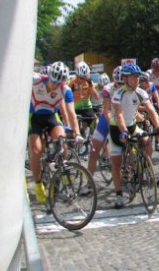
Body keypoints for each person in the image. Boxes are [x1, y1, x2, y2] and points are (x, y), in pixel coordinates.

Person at [28, 62, 83, 202]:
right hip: (34, 116)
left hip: (51, 117)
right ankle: (38, 183)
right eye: (53, 81)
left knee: (62, 142)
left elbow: (71, 113)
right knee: (35, 150)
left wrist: (77, 133)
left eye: (59, 83)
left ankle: (61, 172)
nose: (55, 85)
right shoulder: (35, 80)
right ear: (49, 76)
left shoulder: (65, 90)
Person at [109, 63, 159, 209]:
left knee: (147, 141)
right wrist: (124, 131)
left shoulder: (141, 93)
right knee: (116, 162)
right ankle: (119, 194)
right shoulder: (118, 94)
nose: (137, 80)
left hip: (132, 126)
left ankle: (143, 168)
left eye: (138, 77)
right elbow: (118, 116)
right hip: (116, 128)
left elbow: (151, 111)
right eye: (134, 77)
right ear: (125, 79)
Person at [87, 66, 122, 178]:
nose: (120, 85)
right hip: (107, 119)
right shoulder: (108, 89)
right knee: (93, 151)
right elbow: (106, 111)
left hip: (123, 120)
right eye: (118, 82)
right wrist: (113, 125)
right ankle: (89, 183)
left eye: (123, 82)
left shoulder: (131, 89)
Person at [69, 61, 99, 135]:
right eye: (80, 77)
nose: (82, 80)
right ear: (76, 75)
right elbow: (65, 97)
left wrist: (91, 85)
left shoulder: (89, 82)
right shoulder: (72, 82)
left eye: (84, 78)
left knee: (95, 121)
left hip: (87, 107)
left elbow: (96, 97)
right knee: (74, 127)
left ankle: (91, 137)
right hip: (75, 108)